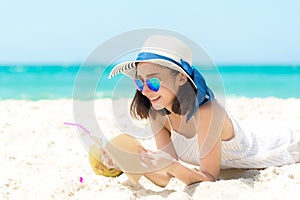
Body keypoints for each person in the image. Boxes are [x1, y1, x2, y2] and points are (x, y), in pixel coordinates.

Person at [107, 34, 300, 187]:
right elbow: (167, 177)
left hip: (273, 144)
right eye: (139, 82)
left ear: (181, 78)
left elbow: (209, 178)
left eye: (154, 81)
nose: (146, 90)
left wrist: (172, 165)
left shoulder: (208, 112)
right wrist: (126, 162)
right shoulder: (157, 115)